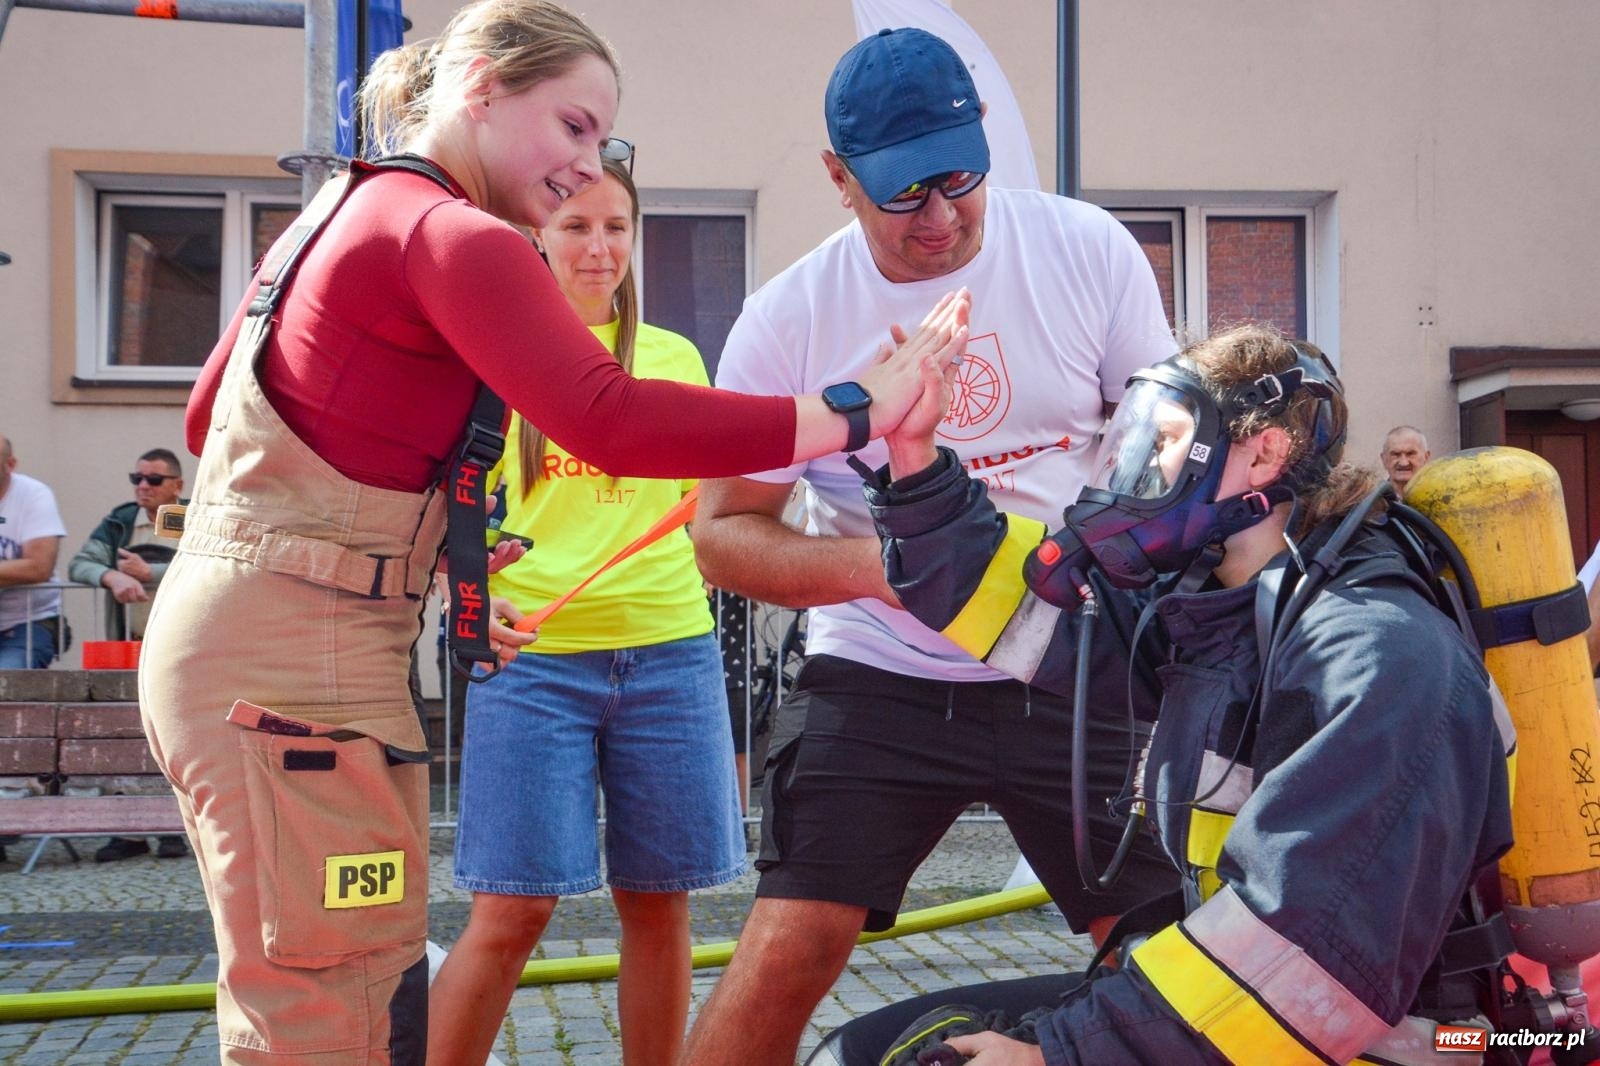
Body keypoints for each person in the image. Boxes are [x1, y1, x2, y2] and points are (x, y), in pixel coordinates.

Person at [134, 2, 966, 1061]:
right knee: (330, 1005)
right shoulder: (457, 233)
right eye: (572, 128)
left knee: (313, 982)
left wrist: (420, 552)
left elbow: (214, 415)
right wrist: (853, 410)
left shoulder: (341, 203)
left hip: (238, 636)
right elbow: (609, 418)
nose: (587, 167)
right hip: (303, 654)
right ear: (480, 86)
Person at [681, 27, 1178, 1065]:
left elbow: (1165, 450)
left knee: (1170, 953)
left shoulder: (1087, 251)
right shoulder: (787, 321)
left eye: (959, 177)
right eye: (904, 193)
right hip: (880, 671)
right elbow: (721, 534)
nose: (941, 218)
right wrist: (897, 573)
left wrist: (1107, 562)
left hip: (1069, 664)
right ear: (838, 178)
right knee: (786, 949)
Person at [822, 325, 1514, 1064]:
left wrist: (1056, 1055)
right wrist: (914, 456)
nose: (1138, 467)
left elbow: (1302, 959)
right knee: (864, 1049)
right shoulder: (1226, 606)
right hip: (1230, 1019)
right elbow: (1026, 606)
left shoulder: (1377, 657)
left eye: (1165, 441)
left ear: (1263, 455)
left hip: (1371, 1042)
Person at [427, 157, 745, 1066]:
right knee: (512, 910)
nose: (601, 248)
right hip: (534, 664)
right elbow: (447, 518)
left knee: (659, 903)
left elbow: (707, 506)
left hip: (671, 655)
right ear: (537, 235)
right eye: (577, 228)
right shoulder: (494, 354)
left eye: (616, 227)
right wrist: (466, 595)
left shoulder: (674, 357)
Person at [66, 447, 190, 862]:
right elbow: (79, 563)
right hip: (131, 647)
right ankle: (128, 832)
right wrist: (110, 574)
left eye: (154, 480)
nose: (143, 487)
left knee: (176, 740)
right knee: (124, 734)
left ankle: (174, 829)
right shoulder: (123, 521)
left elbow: (212, 566)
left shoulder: (190, 517)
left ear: (177, 486)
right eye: (136, 478)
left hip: (185, 649)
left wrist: (149, 573)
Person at [0, 435, 66, 670]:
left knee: (7, 683)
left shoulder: (33, 495)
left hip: (28, 622)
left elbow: (39, 567)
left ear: (10, 464)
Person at [1379, 424, 1431, 496]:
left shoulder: (1444, 499)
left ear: (1426, 458)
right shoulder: (1371, 503)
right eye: (1396, 454)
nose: (1403, 463)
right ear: (1384, 460)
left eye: (1410, 454)